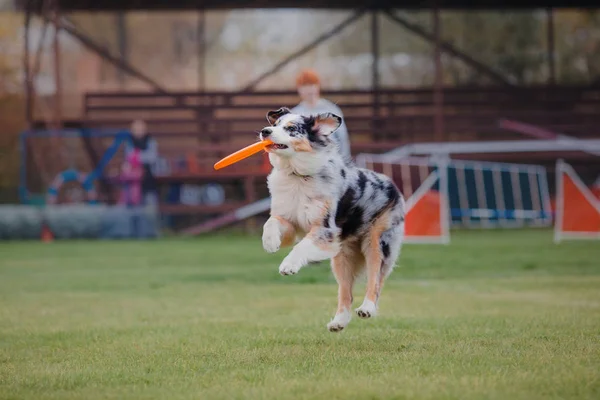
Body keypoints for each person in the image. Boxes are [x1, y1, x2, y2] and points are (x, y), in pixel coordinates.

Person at [291, 69, 352, 163]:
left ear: (318, 86)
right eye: (304, 86)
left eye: (312, 85)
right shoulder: (294, 114)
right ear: (299, 89)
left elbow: (343, 140)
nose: (309, 89)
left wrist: (346, 163)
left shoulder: (331, 110)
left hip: (332, 161)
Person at [125, 119, 158, 207]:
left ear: (145, 130)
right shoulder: (129, 142)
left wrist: (137, 156)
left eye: (140, 129)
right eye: (136, 129)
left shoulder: (151, 141)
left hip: (148, 176)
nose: (138, 132)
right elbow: (129, 157)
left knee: (150, 204)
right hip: (134, 180)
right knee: (135, 205)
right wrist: (140, 156)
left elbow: (152, 158)